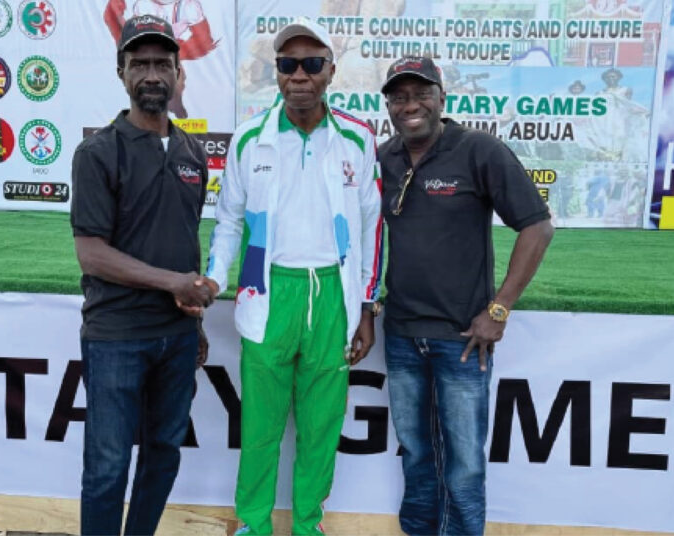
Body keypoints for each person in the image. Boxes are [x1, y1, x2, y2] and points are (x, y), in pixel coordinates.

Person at [203, 18, 383, 536]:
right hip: (268, 291)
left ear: (330, 70)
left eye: (311, 64)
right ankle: (253, 526)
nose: (298, 75)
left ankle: (308, 525)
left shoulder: (356, 138)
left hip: (334, 295)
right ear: (275, 72)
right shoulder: (250, 138)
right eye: (287, 65)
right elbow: (229, 221)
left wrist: (367, 305)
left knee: (321, 427)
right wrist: (216, 279)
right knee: (259, 426)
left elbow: (373, 225)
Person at [378, 56, 554, 536]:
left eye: (420, 94)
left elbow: (537, 227)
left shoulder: (478, 149)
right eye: (399, 96)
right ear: (389, 106)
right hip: (400, 335)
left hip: (462, 339)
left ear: (441, 98)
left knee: (464, 463)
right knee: (415, 453)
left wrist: (499, 309)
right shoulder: (385, 158)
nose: (409, 105)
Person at [70, 15, 214, 536]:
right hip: (116, 337)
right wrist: (172, 284)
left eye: (162, 64)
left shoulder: (193, 153)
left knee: (163, 455)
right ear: (121, 72)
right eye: (140, 64)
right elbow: (91, 254)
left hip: (176, 338)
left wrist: (193, 319)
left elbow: (183, 242)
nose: (152, 74)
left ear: (180, 75)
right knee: (108, 467)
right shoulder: (97, 152)